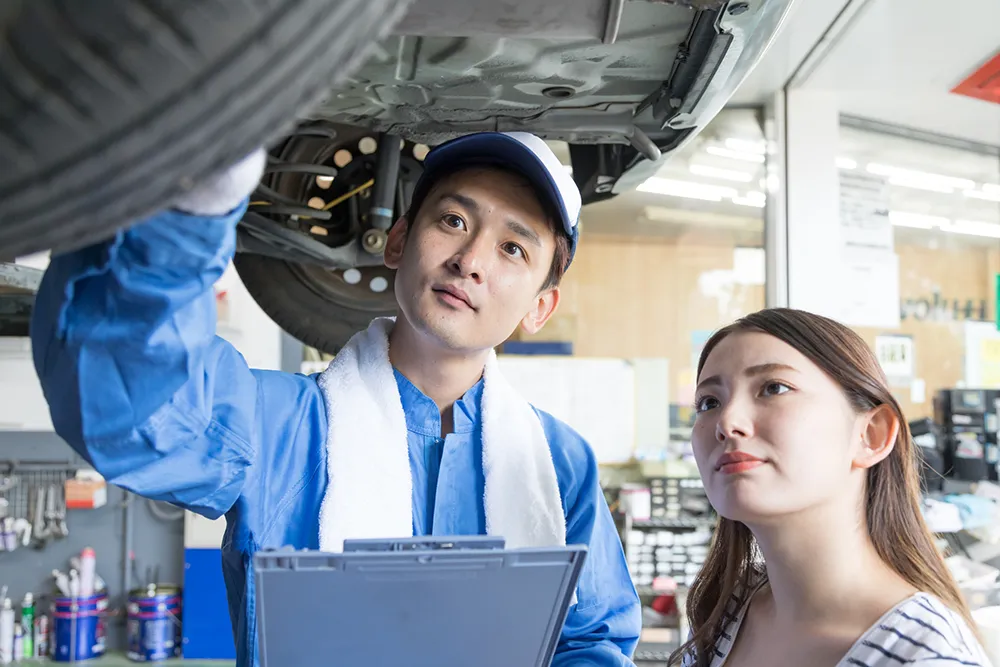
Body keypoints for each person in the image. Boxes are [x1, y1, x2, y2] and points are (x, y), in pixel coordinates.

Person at [29, 132, 641, 667]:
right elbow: (129, 402)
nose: (470, 261)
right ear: (397, 241)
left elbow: (593, 639)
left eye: (514, 248)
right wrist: (188, 209)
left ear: (540, 306)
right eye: (453, 220)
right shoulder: (278, 425)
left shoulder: (560, 465)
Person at [673, 308, 991, 667]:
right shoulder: (725, 611)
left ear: (871, 435)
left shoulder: (927, 658)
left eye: (773, 388)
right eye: (709, 403)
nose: (727, 422)